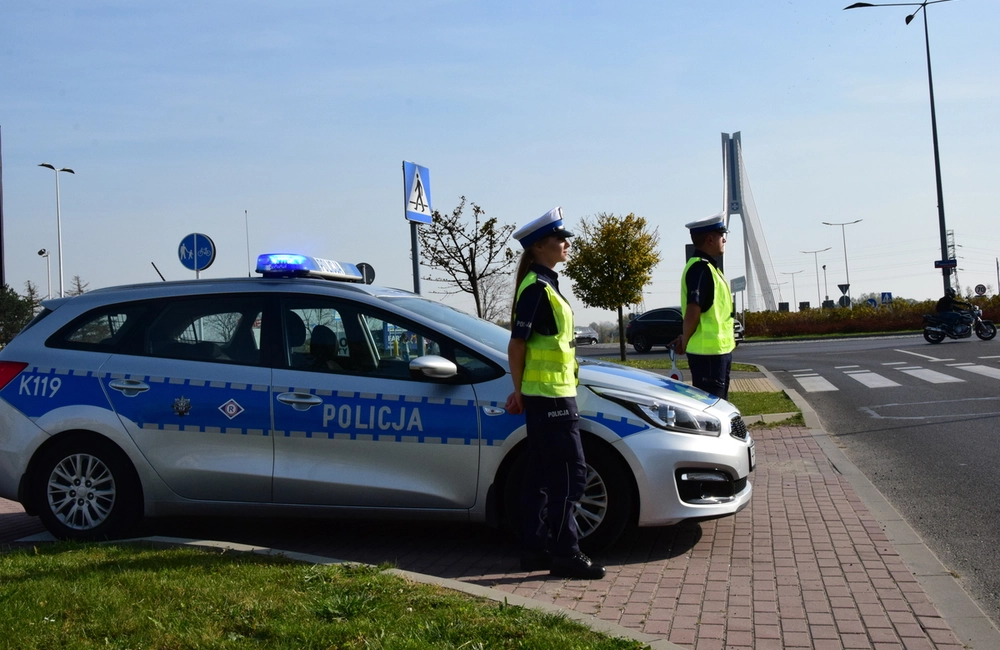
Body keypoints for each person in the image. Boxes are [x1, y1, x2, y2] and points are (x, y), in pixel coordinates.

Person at [505, 207, 606, 580]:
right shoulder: (537, 289)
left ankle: (534, 549)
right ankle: (566, 552)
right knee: (570, 475)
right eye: (560, 239)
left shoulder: (544, 285)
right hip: (551, 397)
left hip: (547, 395)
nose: (566, 244)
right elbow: (518, 346)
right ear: (539, 247)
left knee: (540, 475)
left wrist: (522, 391)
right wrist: (519, 391)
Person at [670, 212, 736, 399]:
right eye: (722, 235)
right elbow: (693, 309)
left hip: (717, 352)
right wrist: (685, 339)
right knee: (712, 410)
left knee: (718, 407)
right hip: (709, 356)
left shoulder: (709, 268)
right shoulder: (701, 269)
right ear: (710, 239)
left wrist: (685, 337)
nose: (725, 239)